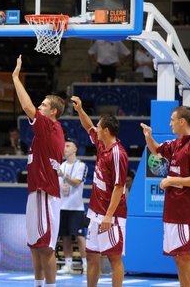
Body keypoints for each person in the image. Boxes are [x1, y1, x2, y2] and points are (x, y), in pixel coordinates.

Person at [140, 105, 190, 287]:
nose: (169, 123)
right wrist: (149, 137)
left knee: (186, 257)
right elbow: (156, 150)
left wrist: (171, 180)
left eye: (172, 120)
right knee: (178, 258)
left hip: (188, 212)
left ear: (182, 121)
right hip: (173, 210)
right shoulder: (175, 143)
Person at [13, 55, 65, 287]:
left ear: (53, 111)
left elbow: (26, 106)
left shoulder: (50, 126)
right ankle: (38, 285)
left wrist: (15, 77)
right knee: (34, 245)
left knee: (45, 246)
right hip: (36, 191)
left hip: (45, 191)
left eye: (43, 105)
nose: (39, 107)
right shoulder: (43, 133)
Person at [70, 95, 128, 287]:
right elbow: (88, 126)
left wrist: (108, 216)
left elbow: (120, 187)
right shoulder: (102, 144)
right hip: (95, 212)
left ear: (107, 130)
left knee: (114, 258)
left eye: (99, 126)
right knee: (92, 256)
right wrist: (80, 110)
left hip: (111, 216)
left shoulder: (118, 154)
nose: (96, 128)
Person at [57, 138, 88, 275]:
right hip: (62, 206)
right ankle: (68, 264)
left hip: (76, 207)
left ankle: (86, 265)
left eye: (68, 145)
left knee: (80, 236)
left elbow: (76, 183)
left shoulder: (81, 166)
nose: (65, 148)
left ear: (75, 149)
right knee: (65, 236)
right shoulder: (61, 165)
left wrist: (64, 177)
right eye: (64, 146)